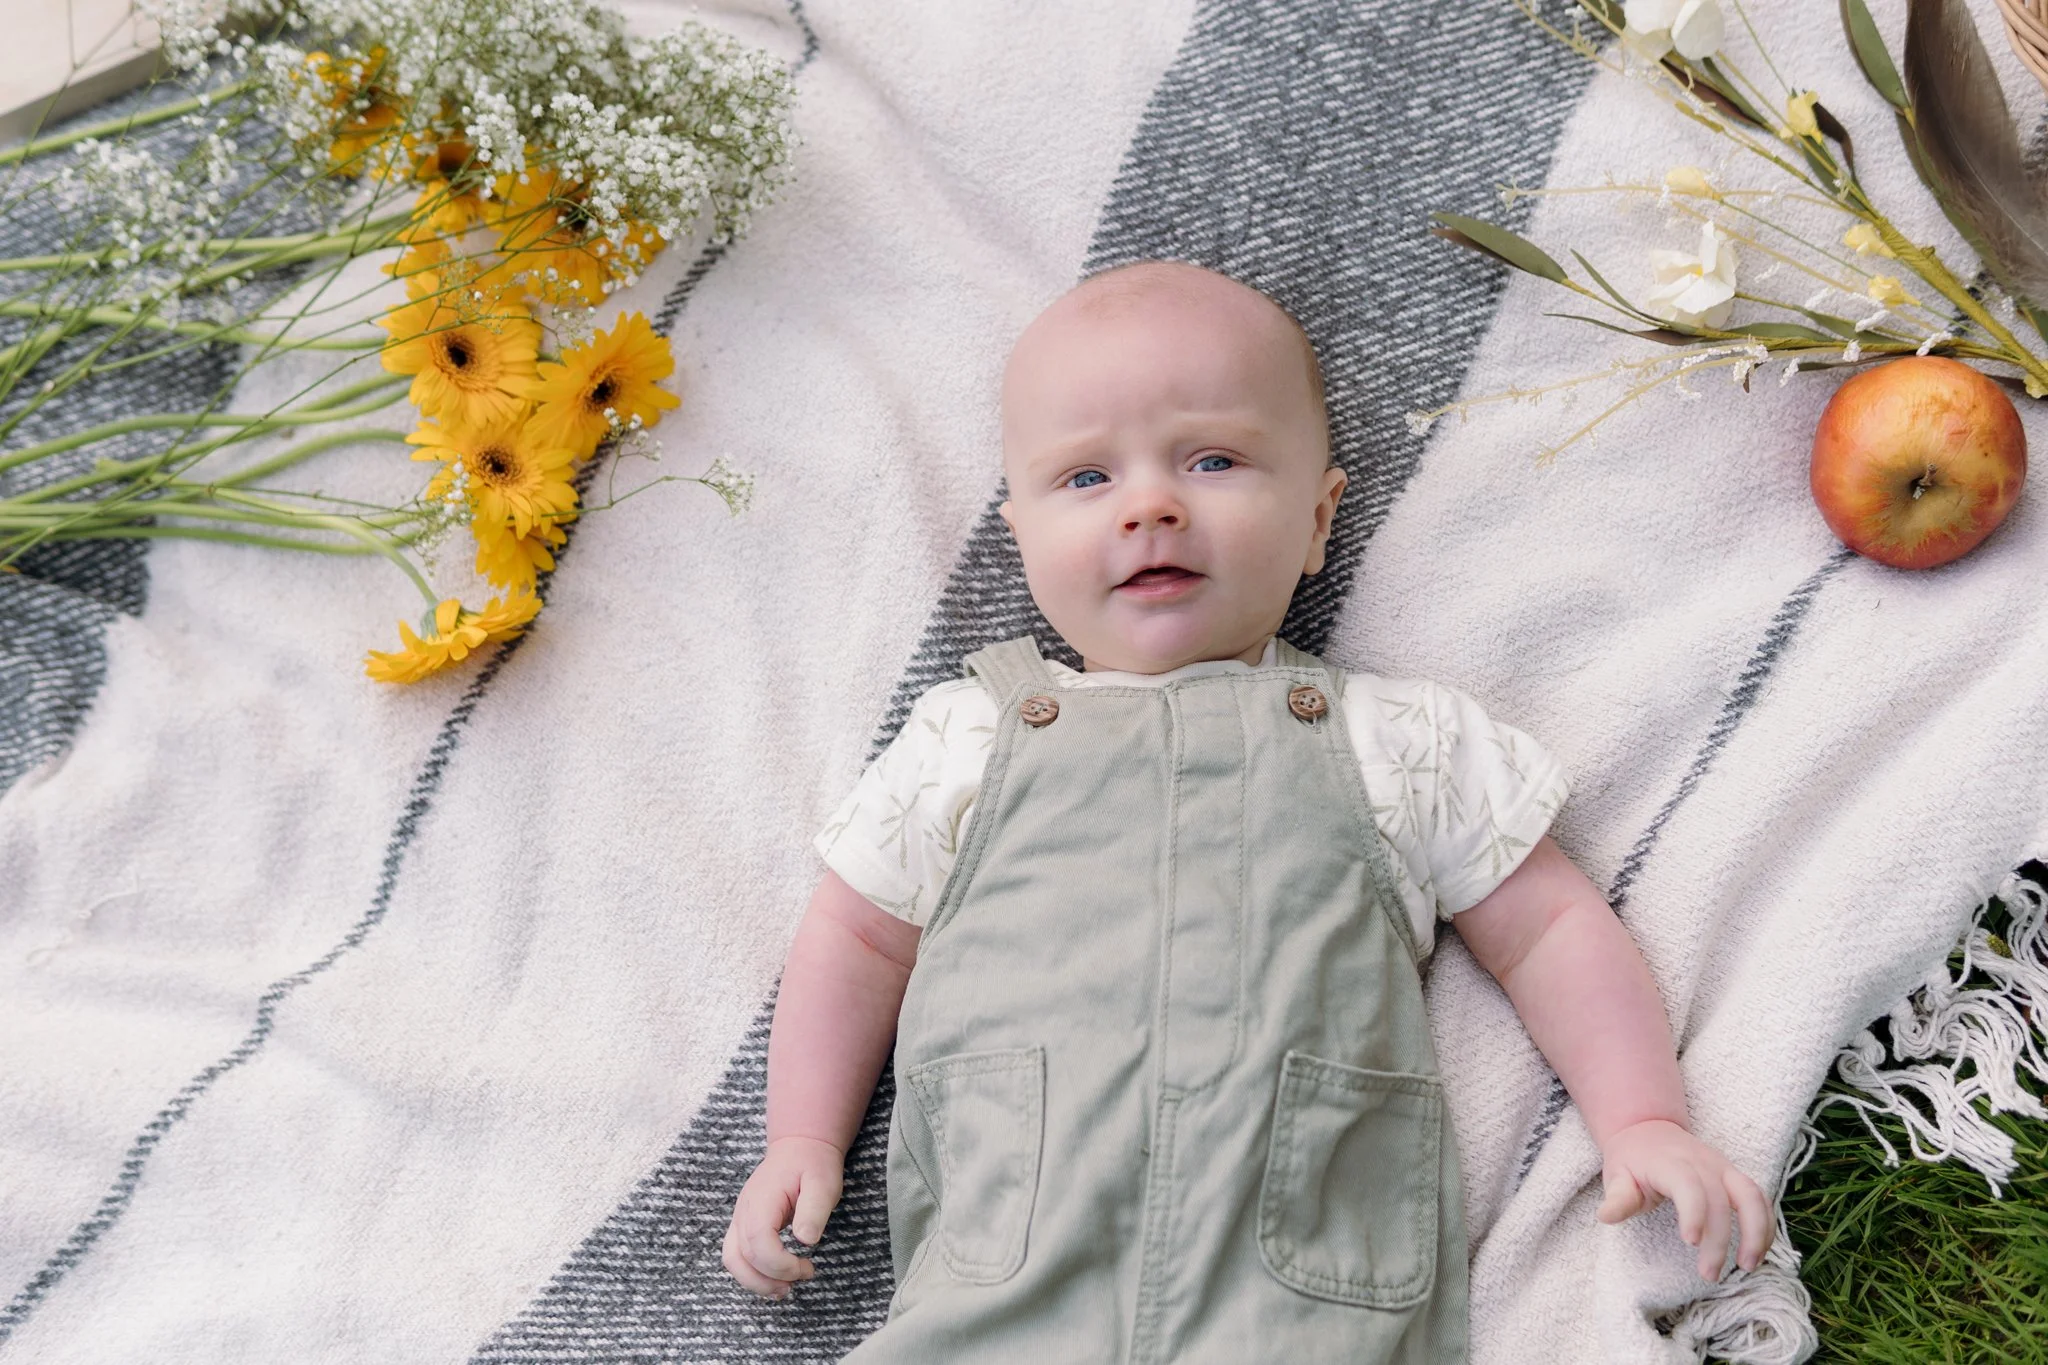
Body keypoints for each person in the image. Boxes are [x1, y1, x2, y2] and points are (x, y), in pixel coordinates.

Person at [722, 260, 1772, 1361]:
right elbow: (856, 938)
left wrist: (1640, 1117)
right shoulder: (964, 739)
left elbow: (1549, 927)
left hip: (1303, 1303)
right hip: (1001, 1288)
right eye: (1086, 477)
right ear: (1019, 535)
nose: (1150, 505)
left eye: (1212, 460)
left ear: (1318, 518)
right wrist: (802, 1135)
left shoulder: (1397, 742)